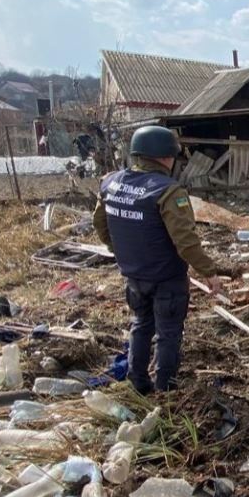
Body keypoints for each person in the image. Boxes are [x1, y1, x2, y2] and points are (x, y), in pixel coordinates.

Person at [94, 125, 222, 394]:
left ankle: (138, 383)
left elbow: (102, 227)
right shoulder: (167, 191)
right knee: (168, 334)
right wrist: (209, 272)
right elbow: (185, 242)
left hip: (134, 275)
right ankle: (165, 391)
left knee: (141, 325)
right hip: (167, 278)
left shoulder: (111, 184)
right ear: (165, 157)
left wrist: (122, 252)